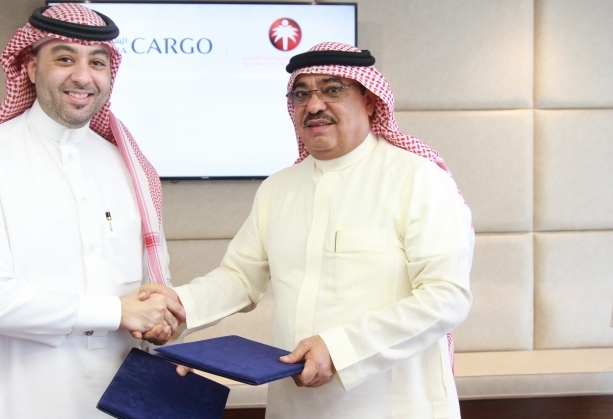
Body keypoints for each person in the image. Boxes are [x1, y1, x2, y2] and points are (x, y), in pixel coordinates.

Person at [140, 42, 474, 418]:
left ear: (369, 101)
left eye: (332, 90)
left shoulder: (418, 179)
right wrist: (181, 305)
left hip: (390, 403)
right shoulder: (278, 188)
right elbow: (239, 277)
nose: (314, 105)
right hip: (296, 405)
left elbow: (446, 297)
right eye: (302, 94)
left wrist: (339, 348)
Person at [0, 4, 182, 418]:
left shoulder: (128, 166)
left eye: (97, 62)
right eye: (64, 58)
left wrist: (161, 324)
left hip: (113, 398)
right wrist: (118, 311)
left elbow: (150, 287)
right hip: (7, 396)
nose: (83, 76)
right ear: (28, 66)